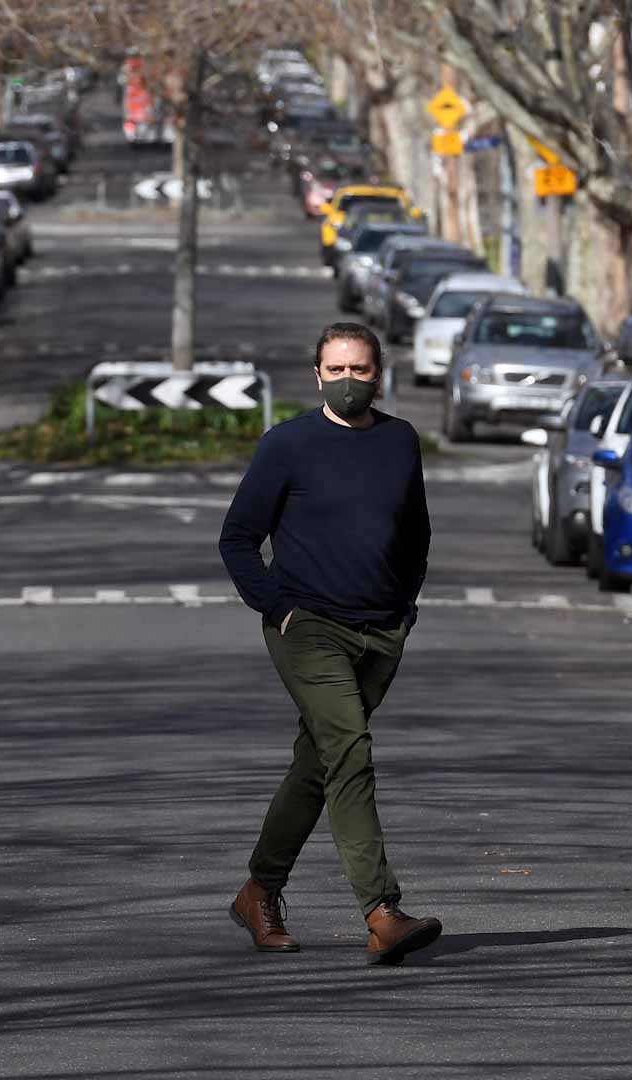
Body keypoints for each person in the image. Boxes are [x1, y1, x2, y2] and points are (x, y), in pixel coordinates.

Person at [217, 321, 442, 966]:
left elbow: (417, 533)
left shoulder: (401, 442)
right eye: (336, 370)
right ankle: (382, 911)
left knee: (319, 762)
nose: (349, 381)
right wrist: (276, 606)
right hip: (307, 625)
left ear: (379, 374)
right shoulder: (288, 444)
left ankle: (259, 891)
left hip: (381, 630)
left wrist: (405, 605)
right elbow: (237, 538)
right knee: (349, 751)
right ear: (317, 375)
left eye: (360, 370)